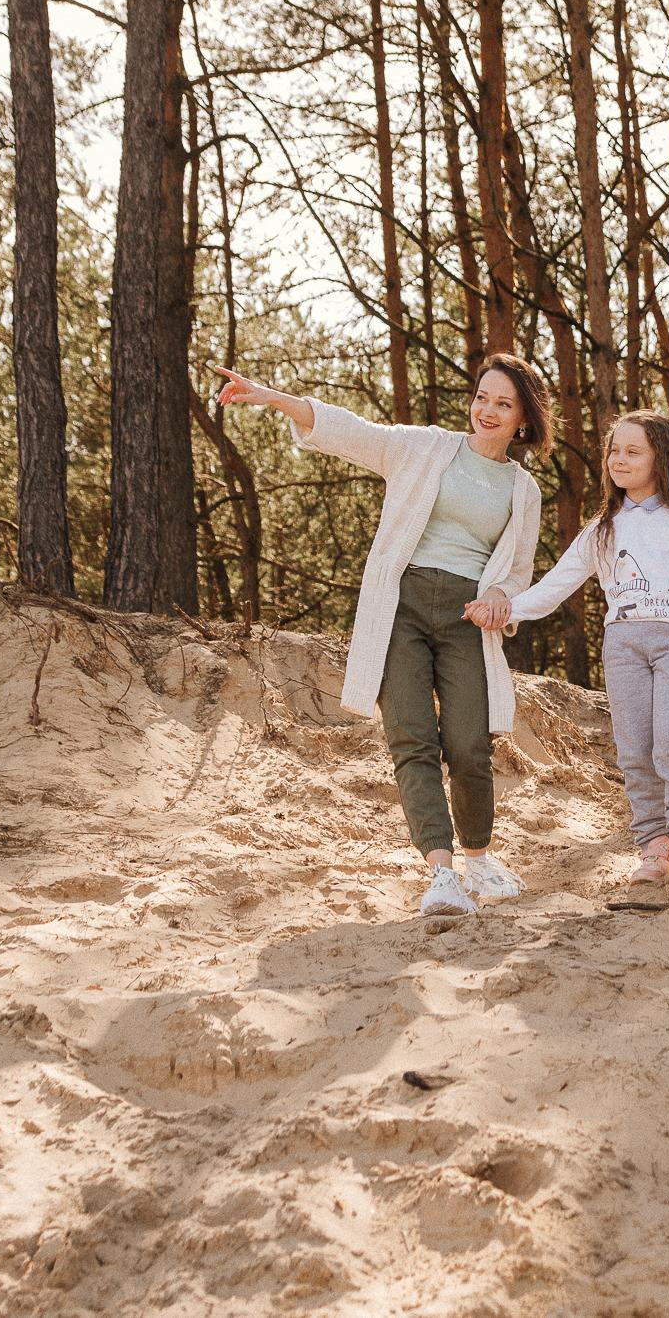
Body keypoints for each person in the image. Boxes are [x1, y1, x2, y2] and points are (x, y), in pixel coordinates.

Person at [211, 355, 553, 918]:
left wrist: (500, 600)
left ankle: (479, 857)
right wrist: (273, 397)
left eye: (502, 404)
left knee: (470, 745)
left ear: (522, 420)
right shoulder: (424, 447)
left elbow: (516, 572)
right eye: (481, 397)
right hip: (402, 607)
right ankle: (442, 873)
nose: (486, 411)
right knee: (412, 737)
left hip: (468, 619)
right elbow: (353, 431)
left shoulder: (524, 490)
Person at [474, 411, 669, 904]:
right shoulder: (603, 529)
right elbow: (556, 585)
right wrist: (508, 608)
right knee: (634, 748)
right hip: (623, 646)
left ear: (663, 459)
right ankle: (653, 843)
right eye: (615, 451)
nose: (620, 460)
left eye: (634, 452)